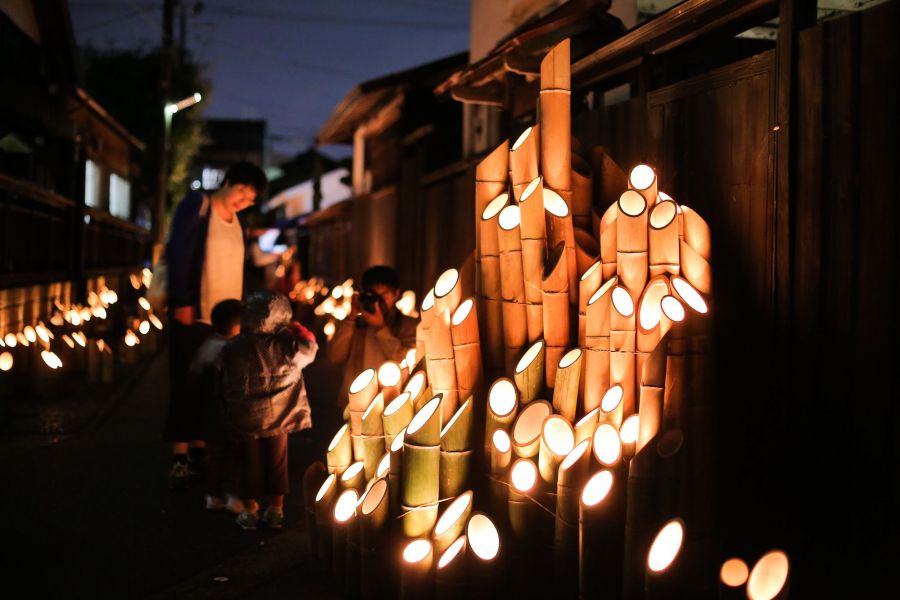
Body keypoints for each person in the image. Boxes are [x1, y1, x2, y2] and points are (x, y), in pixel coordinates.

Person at [163, 161, 267, 489]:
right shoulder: (199, 205)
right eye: (241, 192)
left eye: (250, 199)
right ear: (227, 180)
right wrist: (181, 299)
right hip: (195, 314)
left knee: (215, 389)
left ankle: (199, 452)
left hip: (227, 321)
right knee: (186, 383)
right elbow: (178, 252)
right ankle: (179, 459)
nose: (243, 201)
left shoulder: (238, 222)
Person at [219, 291, 317, 530]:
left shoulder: (234, 346)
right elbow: (311, 349)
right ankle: (276, 509)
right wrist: (296, 328)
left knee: (248, 462)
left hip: (247, 416)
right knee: (277, 463)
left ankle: (250, 511)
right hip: (280, 416)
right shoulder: (289, 344)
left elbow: (223, 372)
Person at [327, 265, 418, 408]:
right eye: (373, 295)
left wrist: (381, 328)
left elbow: (410, 362)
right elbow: (335, 356)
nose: (378, 301)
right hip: (355, 404)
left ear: (396, 294)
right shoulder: (355, 323)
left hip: (391, 404)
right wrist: (351, 318)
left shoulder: (409, 325)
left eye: (384, 295)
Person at [184, 299, 244, 513]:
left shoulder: (206, 346)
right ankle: (235, 497)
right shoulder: (237, 349)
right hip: (235, 414)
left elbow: (193, 376)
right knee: (237, 456)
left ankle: (214, 495)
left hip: (209, 414)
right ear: (238, 326)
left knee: (215, 456)